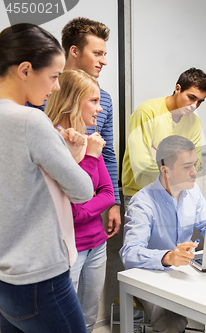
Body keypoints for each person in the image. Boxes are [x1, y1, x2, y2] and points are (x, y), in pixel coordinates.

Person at [0, 23, 93, 333]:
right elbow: (82, 190)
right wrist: (76, 155)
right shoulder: (31, 121)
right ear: (25, 70)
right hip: (40, 278)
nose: (55, 87)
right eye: (53, 77)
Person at [45, 69, 115, 333]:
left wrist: (82, 210)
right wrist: (91, 157)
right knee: (64, 325)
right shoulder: (52, 140)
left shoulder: (90, 142)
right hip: (66, 251)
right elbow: (73, 207)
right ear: (72, 100)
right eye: (94, 101)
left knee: (87, 319)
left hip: (96, 244)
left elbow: (107, 194)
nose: (100, 109)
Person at [120, 135, 206, 333]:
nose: (195, 173)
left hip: (185, 272)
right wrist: (167, 256)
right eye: (187, 167)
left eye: (195, 165)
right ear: (165, 170)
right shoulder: (142, 203)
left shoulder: (193, 193)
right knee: (172, 323)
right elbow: (129, 253)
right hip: (153, 277)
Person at [61, 17, 121, 239]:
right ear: (74, 51)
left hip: (91, 212)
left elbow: (106, 153)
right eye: (97, 53)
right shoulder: (43, 93)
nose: (104, 61)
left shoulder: (103, 99)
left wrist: (114, 201)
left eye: (104, 54)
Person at [122, 68, 206, 208]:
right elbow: (141, 163)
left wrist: (160, 157)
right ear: (177, 89)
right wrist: (180, 163)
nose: (194, 106)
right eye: (191, 97)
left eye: (200, 101)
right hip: (141, 193)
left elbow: (196, 164)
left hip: (175, 196)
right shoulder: (146, 112)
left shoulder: (194, 122)